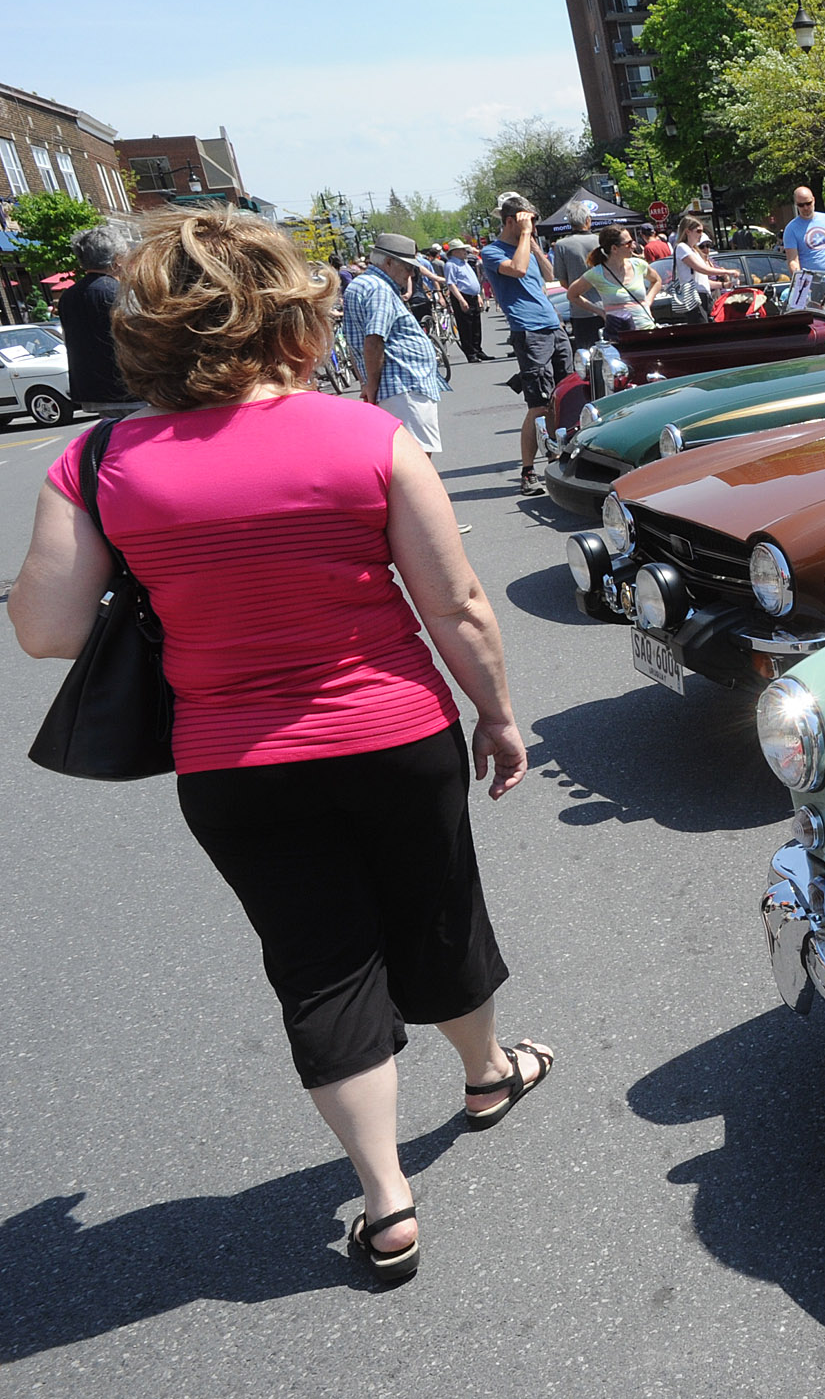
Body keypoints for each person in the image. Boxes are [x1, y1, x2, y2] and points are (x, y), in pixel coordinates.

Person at [8, 207, 549, 1287]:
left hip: (234, 762)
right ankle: (487, 1074)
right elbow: (461, 608)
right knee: (435, 904)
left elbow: (47, 629)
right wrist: (496, 713)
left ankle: (386, 1199)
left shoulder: (99, 458)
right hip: (393, 731)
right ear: (292, 318)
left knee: (319, 959)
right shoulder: (361, 434)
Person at [479, 192, 570, 497]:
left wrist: (533, 245)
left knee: (563, 395)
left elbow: (550, 274)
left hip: (552, 325)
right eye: (525, 221)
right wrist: (524, 236)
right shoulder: (492, 251)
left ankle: (557, 453)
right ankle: (528, 471)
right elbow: (516, 270)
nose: (530, 226)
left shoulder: (526, 247)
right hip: (529, 331)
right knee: (539, 404)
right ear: (510, 221)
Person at [343, 232, 448, 454]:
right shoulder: (379, 288)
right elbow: (373, 339)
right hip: (403, 383)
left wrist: (366, 382)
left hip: (397, 385)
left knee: (405, 455)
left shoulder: (362, 284)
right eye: (408, 266)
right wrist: (371, 384)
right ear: (388, 262)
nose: (412, 272)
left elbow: (356, 340)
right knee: (416, 457)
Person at [55, 225, 133, 419]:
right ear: (117, 261)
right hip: (127, 387)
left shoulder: (68, 296)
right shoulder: (117, 292)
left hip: (91, 388)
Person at [566, 226, 661, 334]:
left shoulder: (639, 265)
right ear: (614, 248)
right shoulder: (597, 273)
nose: (634, 246)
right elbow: (572, 295)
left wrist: (648, 301)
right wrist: (601, 312)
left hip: (647, 329)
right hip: (619, 335)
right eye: (628, 243)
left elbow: (657, 280)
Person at [780, 185, 825, 309]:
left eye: (808, 203)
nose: (806, 208)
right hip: (811, 284)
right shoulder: (791, 229)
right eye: (801, 205)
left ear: (814, 200)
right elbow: (792, 260)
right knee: (818, 320)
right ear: (796, 205)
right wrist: (801, 283)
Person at [548, 212, 602, 352]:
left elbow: (563, 281)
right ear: (588, 220)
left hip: (580, 310)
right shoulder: (600, 241)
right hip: (607, 304)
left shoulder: (562, 245)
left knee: (587, 355)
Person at [666, 215, 732, 324]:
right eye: (698, 231)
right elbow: (702, 269)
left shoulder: (694, 250)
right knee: (702, 330)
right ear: (687, 231)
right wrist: (726, 271)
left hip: (705, 296)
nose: (701, 234)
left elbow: (703, 280)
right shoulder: (682, 247)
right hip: (694, 296)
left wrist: (723, 285)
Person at [443, 241, 489, 361]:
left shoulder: (465, 263)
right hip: (462, 296)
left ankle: (478, 349)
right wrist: (461, 300)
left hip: (472, 295)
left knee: (476, 325)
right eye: (462, 250)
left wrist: (478, 295)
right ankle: (471, 353)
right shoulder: (451, 264)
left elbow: (472, 280)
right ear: (455, 252)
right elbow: (451, 283)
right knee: (465, 326)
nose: (465, 252)